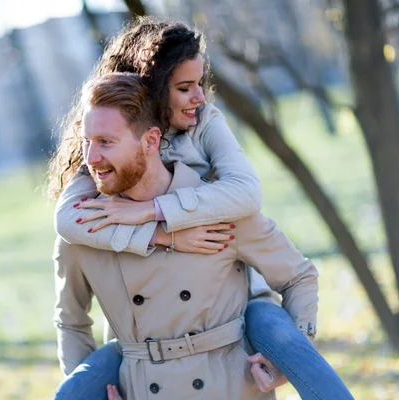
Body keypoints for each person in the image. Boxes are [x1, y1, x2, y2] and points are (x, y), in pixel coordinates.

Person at [48, 17, 354, 400]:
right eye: (184, 87)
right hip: (142, 368)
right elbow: (71, 311)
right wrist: (158, 234)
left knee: (277, 333)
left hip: (240, 321)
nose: (199, 97)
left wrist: (158, 211)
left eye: (105, 142)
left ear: (150, 138)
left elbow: (250, 200)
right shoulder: (89, 215)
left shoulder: (210, 156)